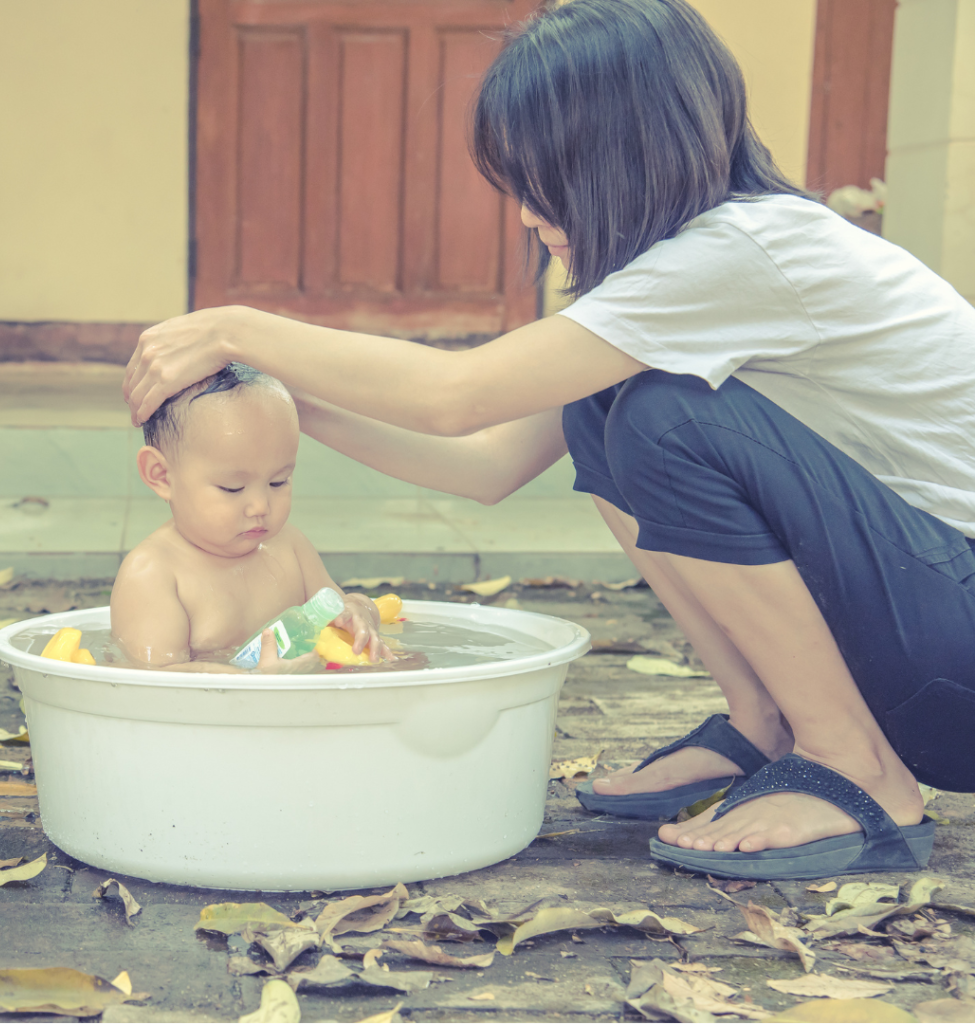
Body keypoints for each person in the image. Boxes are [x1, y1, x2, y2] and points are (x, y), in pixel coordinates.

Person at [122, 0, 975, 879]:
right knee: (602, 410)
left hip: (958, 645)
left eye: (548, 179)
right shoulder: (686, 274)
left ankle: (856, 765)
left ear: (631, 156)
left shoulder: (741, 252)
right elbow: (483, 463)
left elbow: (455, 396)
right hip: (927, 627)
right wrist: (286, 401)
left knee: (661, 419)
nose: (529, 214)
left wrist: (237, 328)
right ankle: (769, 723)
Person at [111, 363, 389, 672]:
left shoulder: (289, 547)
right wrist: (252, 683)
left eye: (278, 482)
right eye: (233, 488)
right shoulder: (153, 574)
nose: (260, 506)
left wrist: (358, 612)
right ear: (161, 476)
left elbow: (339, 607)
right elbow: (152, 680)